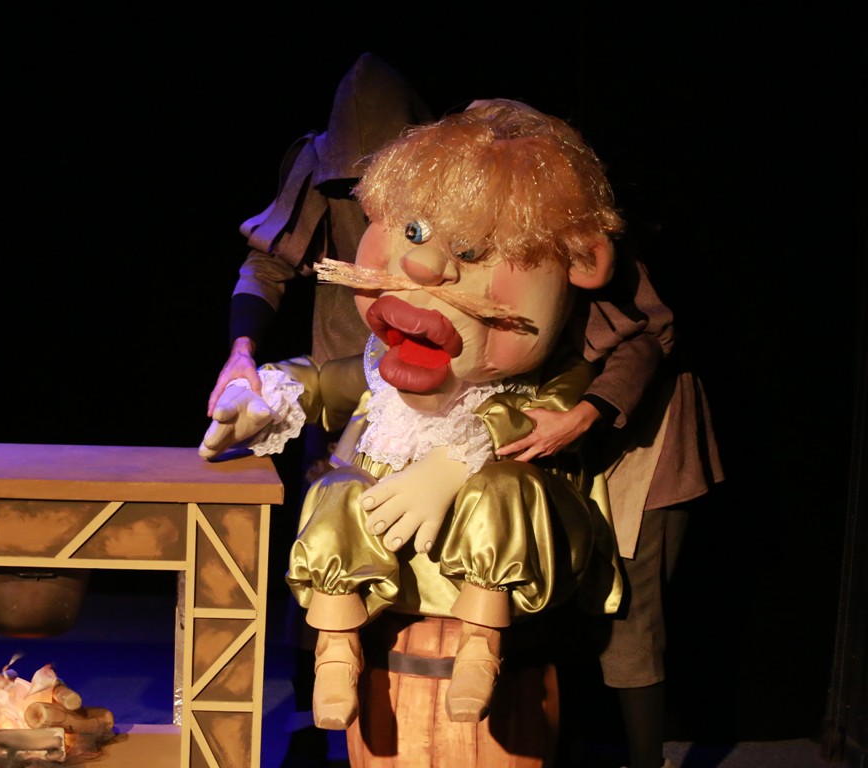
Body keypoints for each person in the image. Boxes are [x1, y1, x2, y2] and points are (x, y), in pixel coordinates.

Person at [202, 99, 628, 731]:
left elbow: (541, 418)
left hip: (517, 544)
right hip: (396, 543)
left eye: (471, 249)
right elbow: (327, 380)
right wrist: (264, 396)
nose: (423, 266)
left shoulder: (552, 373)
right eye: (415, 232)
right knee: (337, 489)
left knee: (504, 489)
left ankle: (482, 644)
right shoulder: (383, 364)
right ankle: (335, 649)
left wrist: (453, 465)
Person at [496, 235, 724, 768]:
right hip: (567, 439)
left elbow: (645, 342)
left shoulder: (580, 239)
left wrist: (582, 417)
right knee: (553, 598)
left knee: (628, 611)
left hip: (640, 438)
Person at [205, 51, 433, 484]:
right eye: (353, 182)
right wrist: (241, 351)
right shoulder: (320, 173)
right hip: (339, 389)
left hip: (432, 392)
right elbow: (266, 266)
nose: (366, 195)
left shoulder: (459, 183)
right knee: (332, 511)